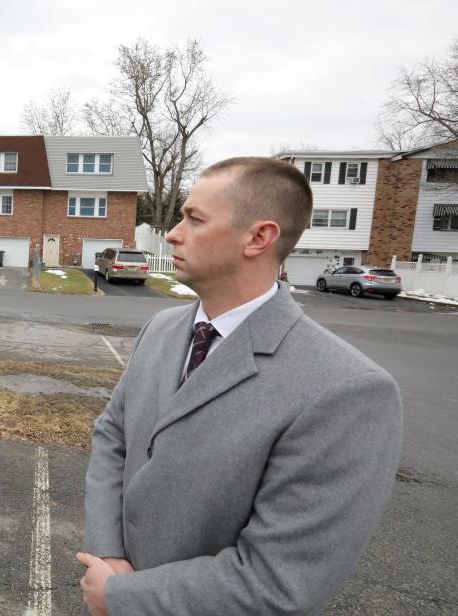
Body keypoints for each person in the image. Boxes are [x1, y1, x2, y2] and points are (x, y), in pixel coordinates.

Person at [77, 157, 403, 615]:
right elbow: (114, 436)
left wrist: (123, 596)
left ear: (259, 237)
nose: (172, 233)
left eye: (194, 218)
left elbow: (279, 582)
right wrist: (108, 555)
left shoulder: (349, 390)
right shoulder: (164, 328)